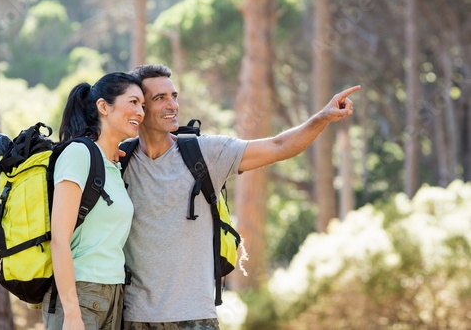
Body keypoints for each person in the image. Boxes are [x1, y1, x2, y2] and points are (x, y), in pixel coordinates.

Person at [122, 64, 360, 330]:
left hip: (194, 317)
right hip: (133, 317)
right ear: (139, 108)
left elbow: (278, 146)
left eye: (174, 96)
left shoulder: (206, 153)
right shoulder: (118, 160)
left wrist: (322, 118)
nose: (173, 105)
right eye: (160, 98)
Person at [42, 72, 145, 330]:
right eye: (133, 102)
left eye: (142, 105)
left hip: (113, 293)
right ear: (103, 107)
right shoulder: (78, 154)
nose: (141, 111)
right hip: (80, 293)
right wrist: (72, 313)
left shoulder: (112, 166)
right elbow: (60, 239)